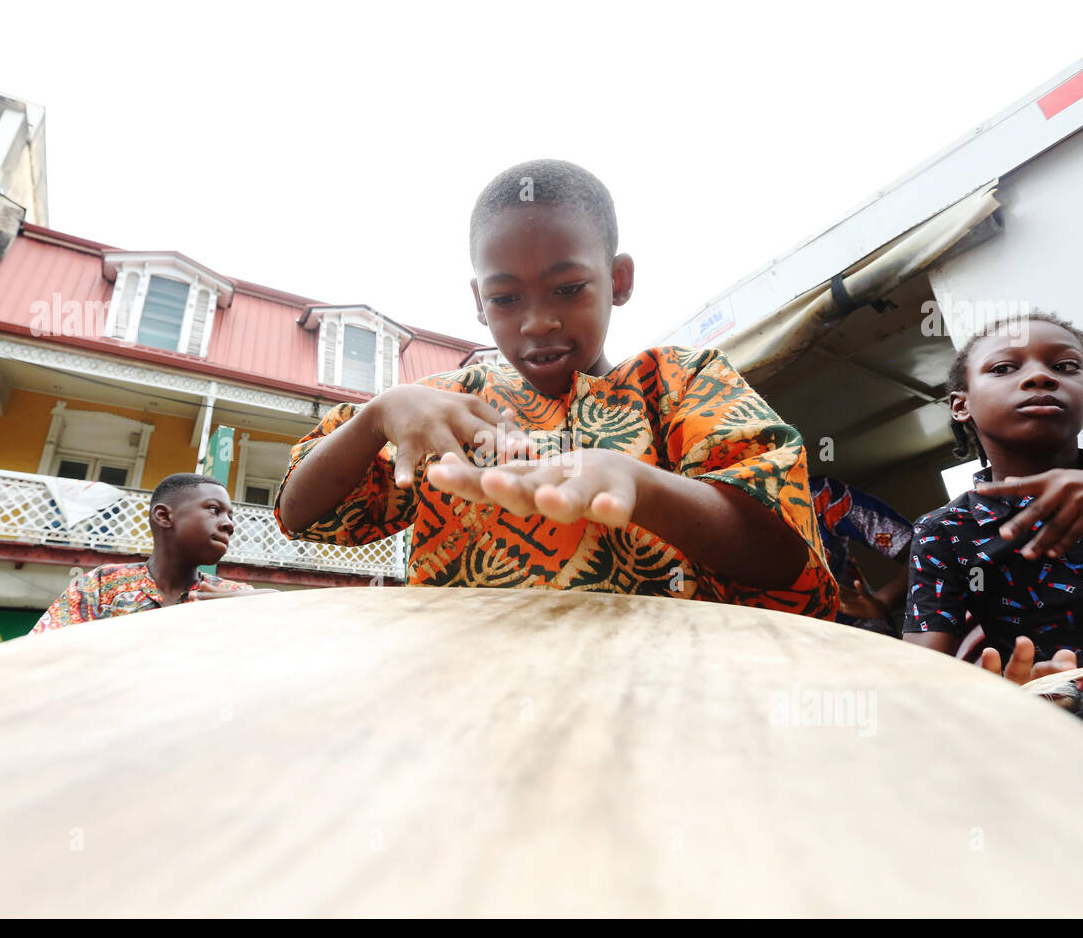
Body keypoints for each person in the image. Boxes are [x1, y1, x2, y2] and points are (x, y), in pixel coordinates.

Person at [276, 159, 837, 616]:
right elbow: (299, 514)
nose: (538, 321)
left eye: (567, 288)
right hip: (469, 705)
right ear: (478, 302)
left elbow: (786, 564)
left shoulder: (681, 384)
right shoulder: (440, 409)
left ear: (618, 280)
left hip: (657, 707)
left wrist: (637, 484)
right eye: (505, 298)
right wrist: (380, 413)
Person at [901, 312, 1083, 684]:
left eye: (1065, 366)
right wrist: (1007, 691)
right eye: (1002, 368)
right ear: (960, 406)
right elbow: (920, 678)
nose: (1040, 377)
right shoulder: (943, 533)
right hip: (1064, 729)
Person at [30, 473, 272, 633]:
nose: (229, 524)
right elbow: (41, 654)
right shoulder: (101, 586)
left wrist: (270, 604)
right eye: (214, 510)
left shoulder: (235, 596)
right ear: (164, 516)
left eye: (230, 516)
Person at [809, 475, 912, 635]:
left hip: (863, 638)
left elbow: (922, 550)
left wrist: (885, 601)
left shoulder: (819, 496)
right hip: (783, 653)